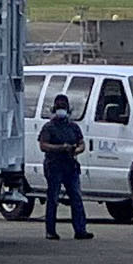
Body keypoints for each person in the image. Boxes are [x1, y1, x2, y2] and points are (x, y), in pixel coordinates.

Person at [37, 93, 92, 240]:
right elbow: (43, 145)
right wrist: (61, 147)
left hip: (70, 166)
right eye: (59, 107)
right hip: (54, 166)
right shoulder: (49, 127)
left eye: (64, 107)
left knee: (76, 197)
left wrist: (75, 149)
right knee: (53, 198)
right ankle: (50, 231)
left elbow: (82, 144)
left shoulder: (73, 127)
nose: (61, 109)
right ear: (54, 109)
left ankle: (80, 230)